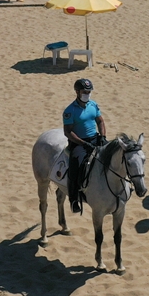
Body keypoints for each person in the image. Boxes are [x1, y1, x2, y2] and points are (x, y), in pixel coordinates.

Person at [63, 78, 105, 213]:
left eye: (89, 91)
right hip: (79, 143)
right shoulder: (70, 110)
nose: (87, 93)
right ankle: (74, 199)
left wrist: (103, 137)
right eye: (84, 91)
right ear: (77, 92)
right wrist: (83, 143)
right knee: (75, 166)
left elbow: (100, 121)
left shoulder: (93, 105)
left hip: (95, 138)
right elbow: (68, 132)